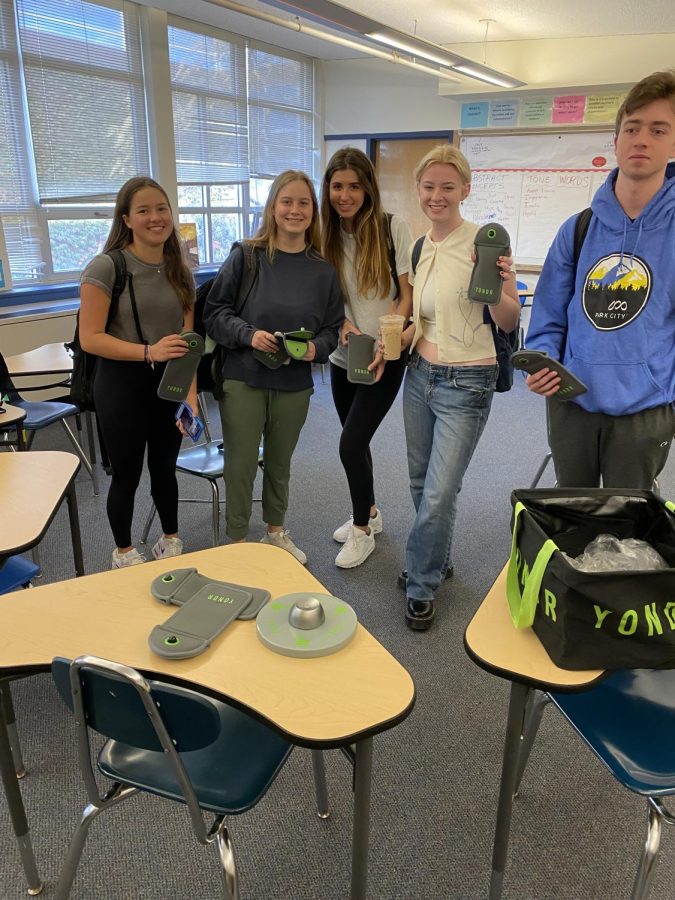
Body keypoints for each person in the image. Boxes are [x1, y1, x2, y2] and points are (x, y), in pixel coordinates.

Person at [526, 69, 675, 489]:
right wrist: (541, 363)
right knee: (574, 519)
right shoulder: (578, 230)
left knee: (628, 533)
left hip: (645, 412)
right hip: (572, 403)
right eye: (632, 128)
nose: (641, 139)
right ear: (616, 141)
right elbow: (548, 319)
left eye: (658, 129)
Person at [402, 146, 520, 630]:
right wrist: (397, 339)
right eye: (429, 186)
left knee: (438, 492)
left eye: (447, 186)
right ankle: (436, 559)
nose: (437, 195)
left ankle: (420, 582)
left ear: (466, 190)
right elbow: (422, 318)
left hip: (468, 380)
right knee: (418, 481)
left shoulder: (485, 243)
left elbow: (509, 320)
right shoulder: (419, 245)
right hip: (418, 376)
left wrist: (499, 285)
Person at [203, 170, 343, 564]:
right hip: (243, 378)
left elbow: (333, 328)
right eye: (287, 202)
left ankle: (275, 532)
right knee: (241, 463)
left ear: (313, 212)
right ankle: (235, 542)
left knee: (280, 463)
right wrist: (248, 334)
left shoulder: (323, 270)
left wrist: (316, 348)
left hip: (294, 383)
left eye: (303, 203)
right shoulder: (246, 256)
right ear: (273, 207)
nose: (294, 210)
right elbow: (214, 313)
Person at [79, 176, 197, 568]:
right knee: (127, 475)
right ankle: (124, 552)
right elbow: (90, 339)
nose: (155, 217)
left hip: (170, 384)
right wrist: (149, 351)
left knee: (165, 468)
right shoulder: (107, 266)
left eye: (161, 209)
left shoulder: (180, 268)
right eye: (143, 210)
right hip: (120, 385)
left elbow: (188, 342)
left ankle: (171, 540)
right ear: (126, 219)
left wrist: (192, 397)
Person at [321, 147, 413, 568]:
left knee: (350, 442)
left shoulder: (394, 228)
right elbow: (328, 298)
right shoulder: (325, 235)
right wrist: (342, 323)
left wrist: (388, 335)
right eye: (337, 186)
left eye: (354, 186)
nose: (345, 194)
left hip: (386, 356)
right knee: (355, 442)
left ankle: (361, 531)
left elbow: (408, 293)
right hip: (345, 355)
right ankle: (371, 514)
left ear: (368, 188)